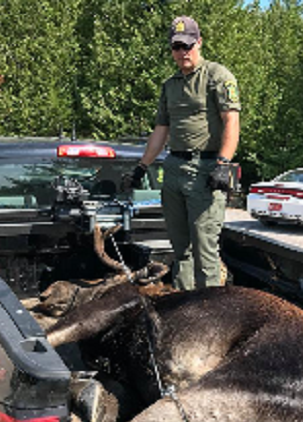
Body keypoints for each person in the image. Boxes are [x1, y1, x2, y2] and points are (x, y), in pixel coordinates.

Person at [128, 16, 241, 291]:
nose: (183, 52)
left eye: (188, 45)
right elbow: (160, 130)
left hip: (206, 170)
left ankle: (211, 315)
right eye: (177, 47)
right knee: (180, 249)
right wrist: (143, 166)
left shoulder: (217, 76)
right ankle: (183, 305)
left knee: (205, 248)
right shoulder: (170, 85)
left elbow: (231, 121)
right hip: (175, 169)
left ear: (199, 43)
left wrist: (223, 164)